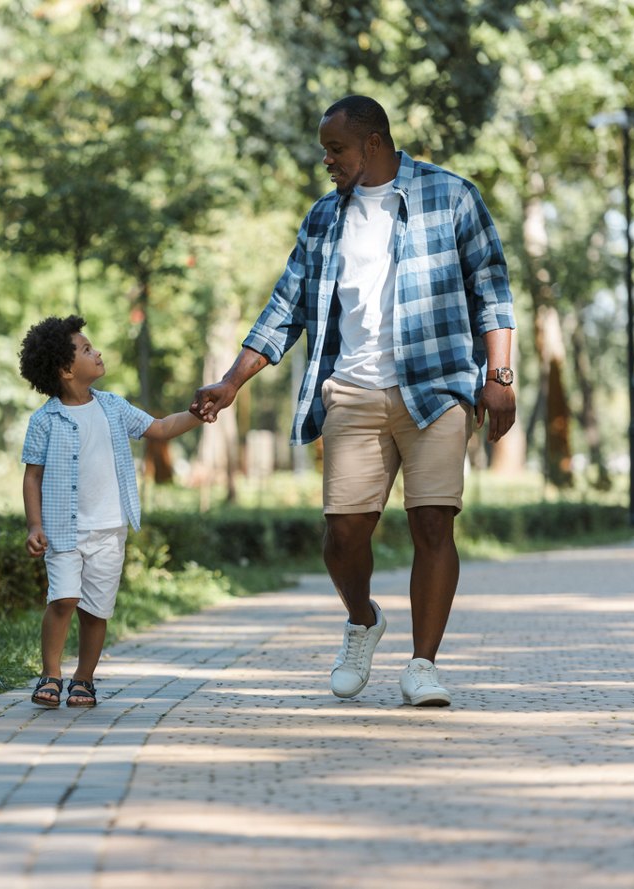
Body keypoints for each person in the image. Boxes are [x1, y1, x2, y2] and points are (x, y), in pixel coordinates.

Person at [191, 95, 516, 707]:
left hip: (438, 385)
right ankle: (363, 620)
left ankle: (423, 665)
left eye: (335, 148)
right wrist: (232, 381)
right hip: (352, 389)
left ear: (372, 143)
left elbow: (492, 289)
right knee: (343, 533)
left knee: (432, 521)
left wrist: (498, 375)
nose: (327, 160)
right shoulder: (323, 218)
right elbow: (284, 307)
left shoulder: (452, 196)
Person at [20, 315, 202, 708]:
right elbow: (32, 477)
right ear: (67, 370)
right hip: (63, 531)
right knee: (64, 599)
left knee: (96, 609)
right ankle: (50, 673)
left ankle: (83, 679)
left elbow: (160, 428)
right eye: (87, 349)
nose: (97, 351)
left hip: (109, 528)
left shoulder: (113, 407)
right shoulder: (44, 420)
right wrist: (34, 524)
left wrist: (197, 413)